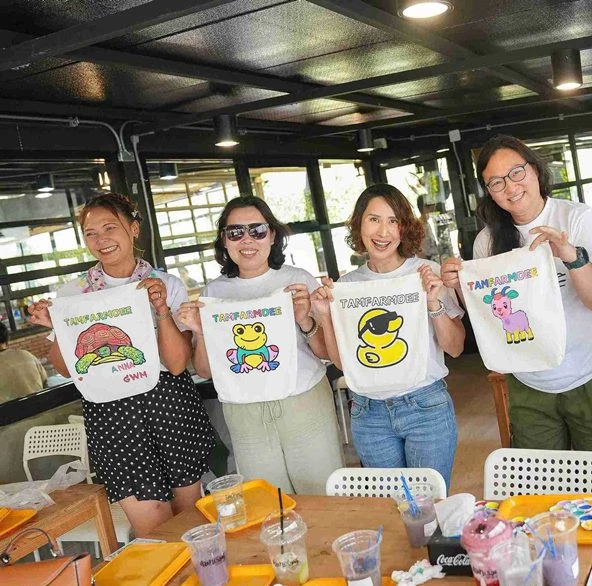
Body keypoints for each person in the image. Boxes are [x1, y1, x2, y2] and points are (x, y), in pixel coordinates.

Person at [442, 134, 592, 495]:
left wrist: (570, 255)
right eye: (496, 182)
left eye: (516, 172)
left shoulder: (578, 218)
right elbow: (490, 317)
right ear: (489, 192)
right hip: (529, 381)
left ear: (535, 170)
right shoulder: (487, 242)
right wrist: (460, 287)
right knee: (542, 489)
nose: (510, 187)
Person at [27, 193, 215, 537]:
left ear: (133, 228)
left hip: (169, 404)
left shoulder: (166, 284)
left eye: (110, 227)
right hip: (113, 414)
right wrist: (58, 327)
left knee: (191, 521)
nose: (101, 239)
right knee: (154, 528)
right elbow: (67, 369)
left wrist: (161, 310)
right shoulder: (73, 294)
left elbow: (176, 365)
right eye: (91, 233)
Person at [177, 195, 343, 495]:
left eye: (257, 230)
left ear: (272, 235)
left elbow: (325, 353)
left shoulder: (298, 280)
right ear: (224, 240)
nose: (247, 239)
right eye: (235, 232)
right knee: (267, 501)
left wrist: (305, 319)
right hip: (245, 412)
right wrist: (200, 331)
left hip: (303, 401)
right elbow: (204, 369)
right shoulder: (214, 293)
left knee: (323, 495)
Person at [313, 184, 464, 489]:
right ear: (359, 224)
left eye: (393, 221)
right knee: (390, 507)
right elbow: (344, 364)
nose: (383, 231)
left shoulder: (426, 272)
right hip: (369, 413)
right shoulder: (347, 286)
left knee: (429, 504)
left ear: (404, 227)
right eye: (374, 219)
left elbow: (456, 347)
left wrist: (433, 302)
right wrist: (325, 316)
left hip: (426, 407)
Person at [0, 320, 47, 402]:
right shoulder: (26, 355)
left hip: (11, 410)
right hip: (42, 405)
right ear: (7, 339)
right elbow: (45, 381)